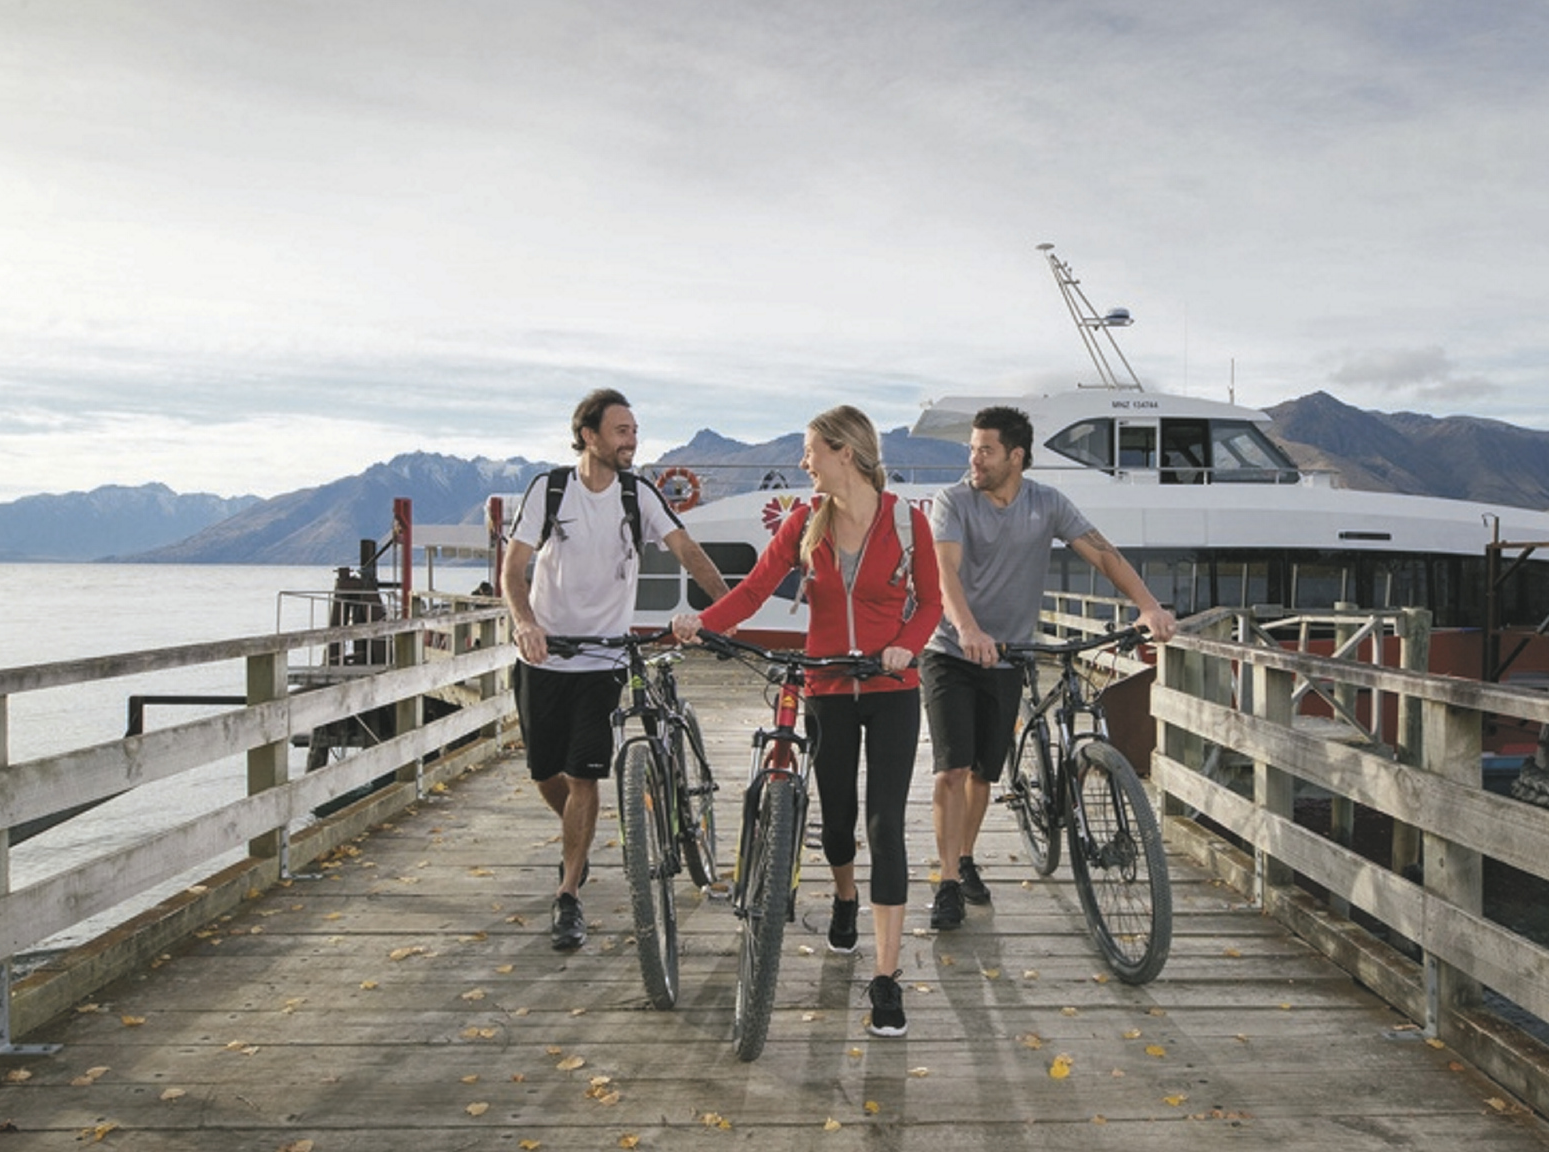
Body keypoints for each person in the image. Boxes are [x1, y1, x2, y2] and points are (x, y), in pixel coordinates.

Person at [672, 405, 940, 1038]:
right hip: (826, 687)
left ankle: (886, 978)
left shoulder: (907, 523)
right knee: (838, 821)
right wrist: (702, 622)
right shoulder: (803, 522)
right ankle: (845, 897)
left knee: (886, 825)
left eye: (811, 450)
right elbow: (753, 590)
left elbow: (930, 603)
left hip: (892, 688)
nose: (803, 461)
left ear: (845, 452)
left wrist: (906, 645)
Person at [922, 404, 1177, 930]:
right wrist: (967, 629)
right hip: (950, 649)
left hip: (1010, 653)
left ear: (1015, 456)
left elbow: (1102, 554)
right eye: (972, 449)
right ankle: (947, 882)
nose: (974, 459)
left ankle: (965, 858)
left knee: (983, 773)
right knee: (951, 769)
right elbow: (945, 572)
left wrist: (1148, 605)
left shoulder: (1047, 503)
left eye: (985, 450)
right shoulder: (953, 502)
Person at [502, 389, 729, 952]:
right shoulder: (550, 489)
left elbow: (688, 551)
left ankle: (568, 893)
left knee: (585, 776)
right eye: (622, 430)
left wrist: (726, 612)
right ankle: (577, 837)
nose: (632, 440)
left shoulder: (638, 494)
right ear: (590, 436)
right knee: (544, 771)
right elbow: (513, 568)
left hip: (604, 660)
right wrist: (526, 623)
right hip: (543, 655)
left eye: (634, 430)